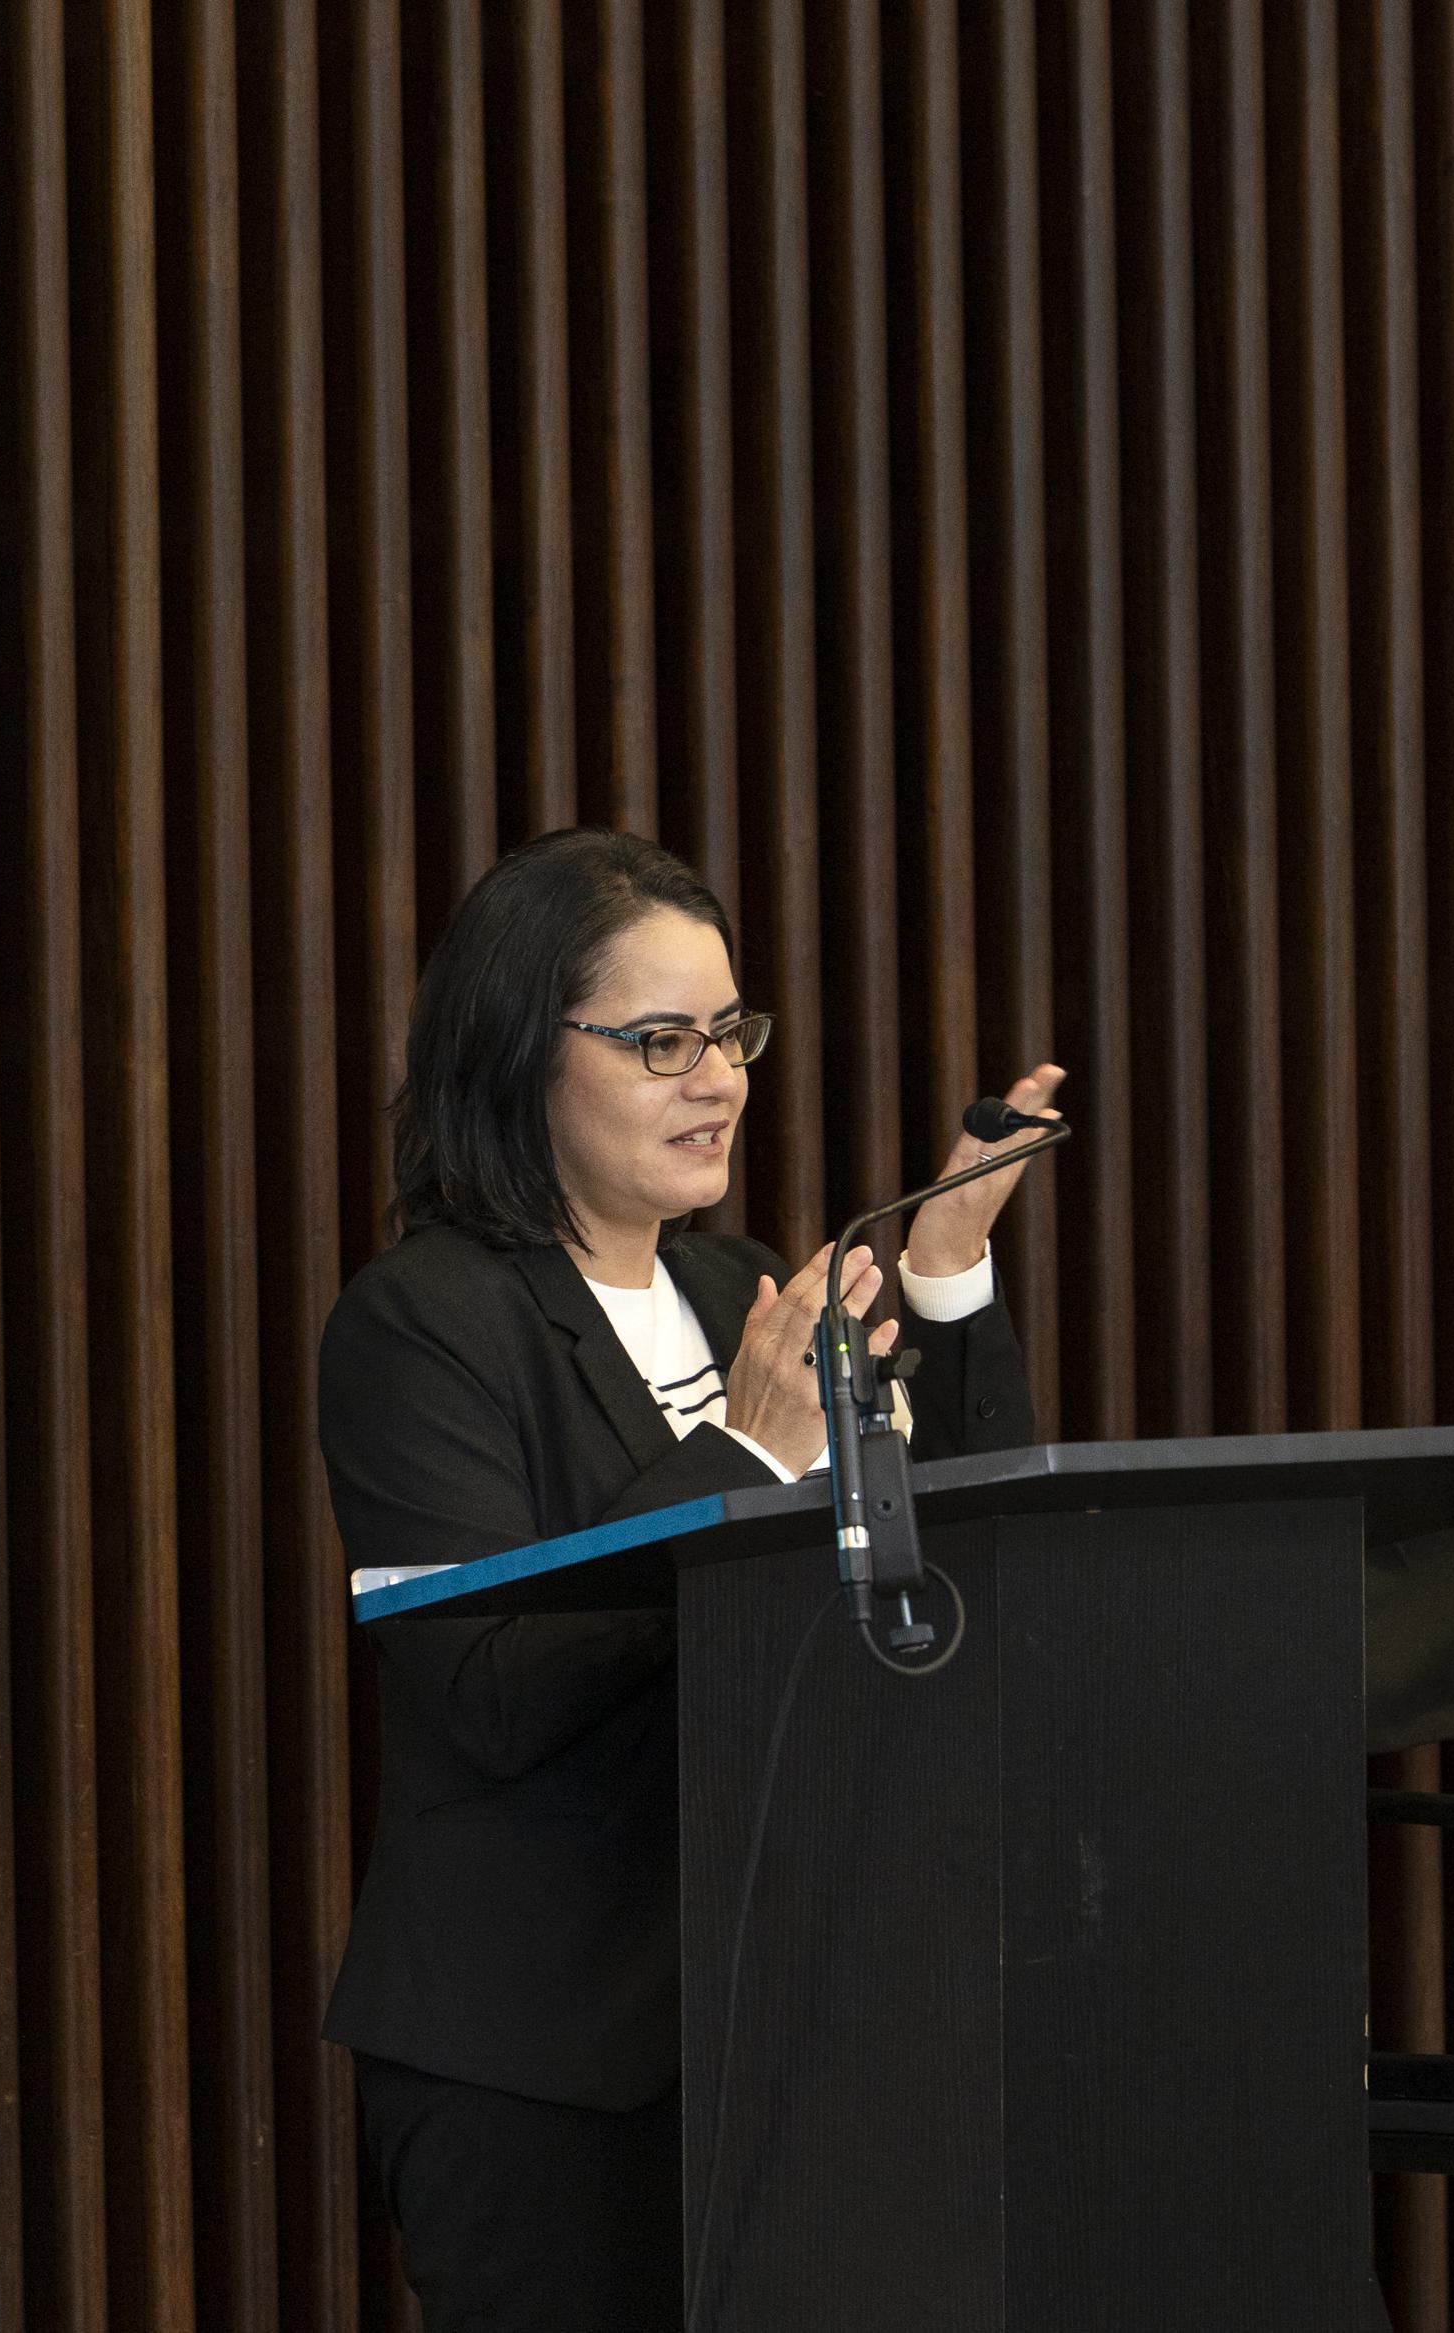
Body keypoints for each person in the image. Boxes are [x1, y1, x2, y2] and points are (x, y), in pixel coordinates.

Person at [318, 829, 1062, 2332]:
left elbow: (957, 1582)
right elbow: (490, 1684)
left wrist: (943, 1282)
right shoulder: (423, 1323)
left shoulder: (743, 1289)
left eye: (731, 1033)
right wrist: (746, 1451)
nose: (717, 1077)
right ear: (525, 1051)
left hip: (781, 2028)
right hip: (542, 2058)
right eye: (661, 1040)